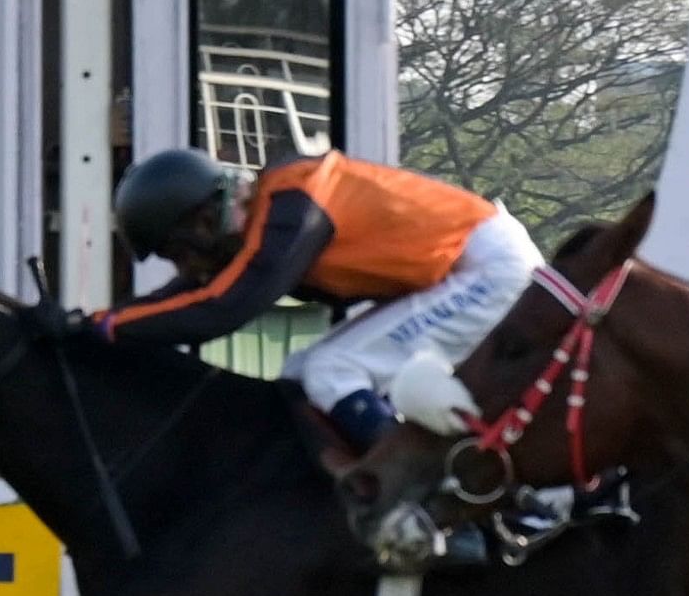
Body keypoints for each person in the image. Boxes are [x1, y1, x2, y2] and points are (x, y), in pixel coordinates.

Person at [89, 146, 540, 452]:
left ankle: (419, 490)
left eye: (179, 254)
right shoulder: (268, 214)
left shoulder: (292, 205)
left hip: (488, 266)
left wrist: (109, 328)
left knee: (334, 369)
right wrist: (96, 322)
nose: (185, 269)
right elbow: (198, 291)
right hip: (462, 268)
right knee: (301, 373)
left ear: (203, 222)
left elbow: (224, 306)